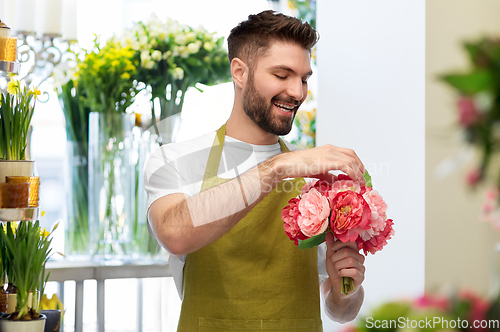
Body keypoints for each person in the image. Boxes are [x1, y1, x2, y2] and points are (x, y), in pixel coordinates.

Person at [145, 10, 366, 332]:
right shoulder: (175, 160)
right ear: (239, 72)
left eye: (304, 78)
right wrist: (276, 167)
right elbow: (174, 233)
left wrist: (348, 291)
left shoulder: (317, 179)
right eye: (282, 75)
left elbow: (340, 311)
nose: (298, 92)